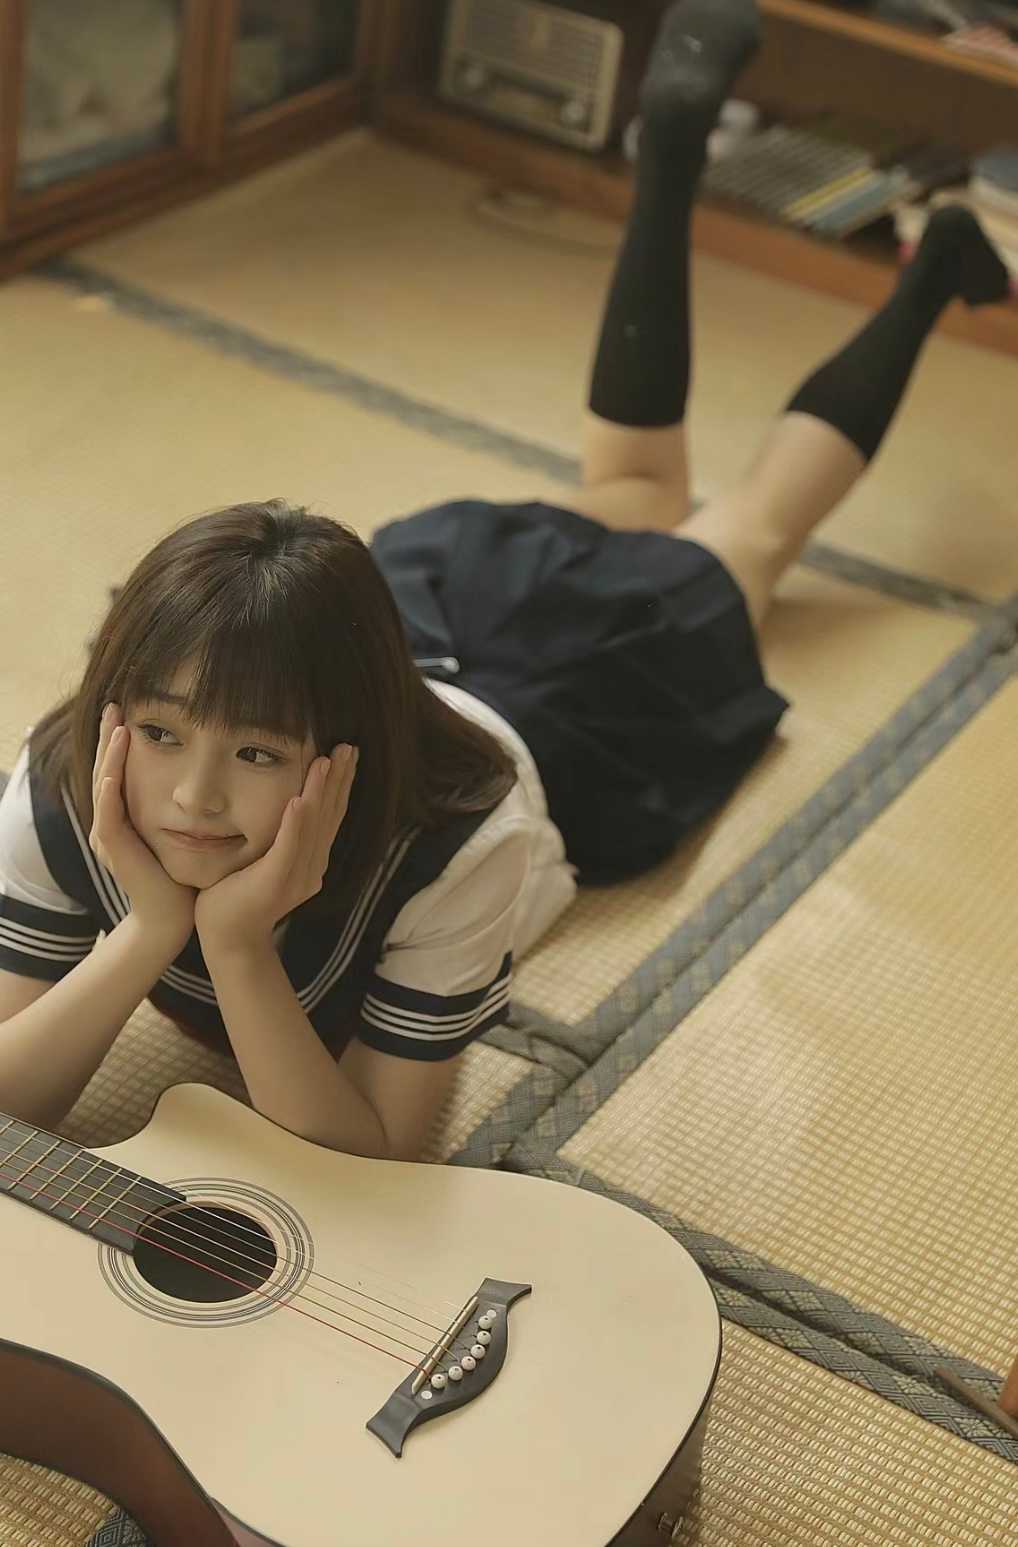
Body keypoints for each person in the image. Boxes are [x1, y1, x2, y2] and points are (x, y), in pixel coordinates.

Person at [0, 0, 1009, 1161]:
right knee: (635, 487)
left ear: (339, 754)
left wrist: (232, 943)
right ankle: (677, 161)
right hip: (420, 605)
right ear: (119, 705)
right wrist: (146, 932)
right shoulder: (67, 776)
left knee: (753, 527)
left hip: (581, 688)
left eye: (259, 756)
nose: (190, 796)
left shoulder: (456, 841)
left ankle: (925, 271)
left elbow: (380, 1152)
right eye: (162, 732)